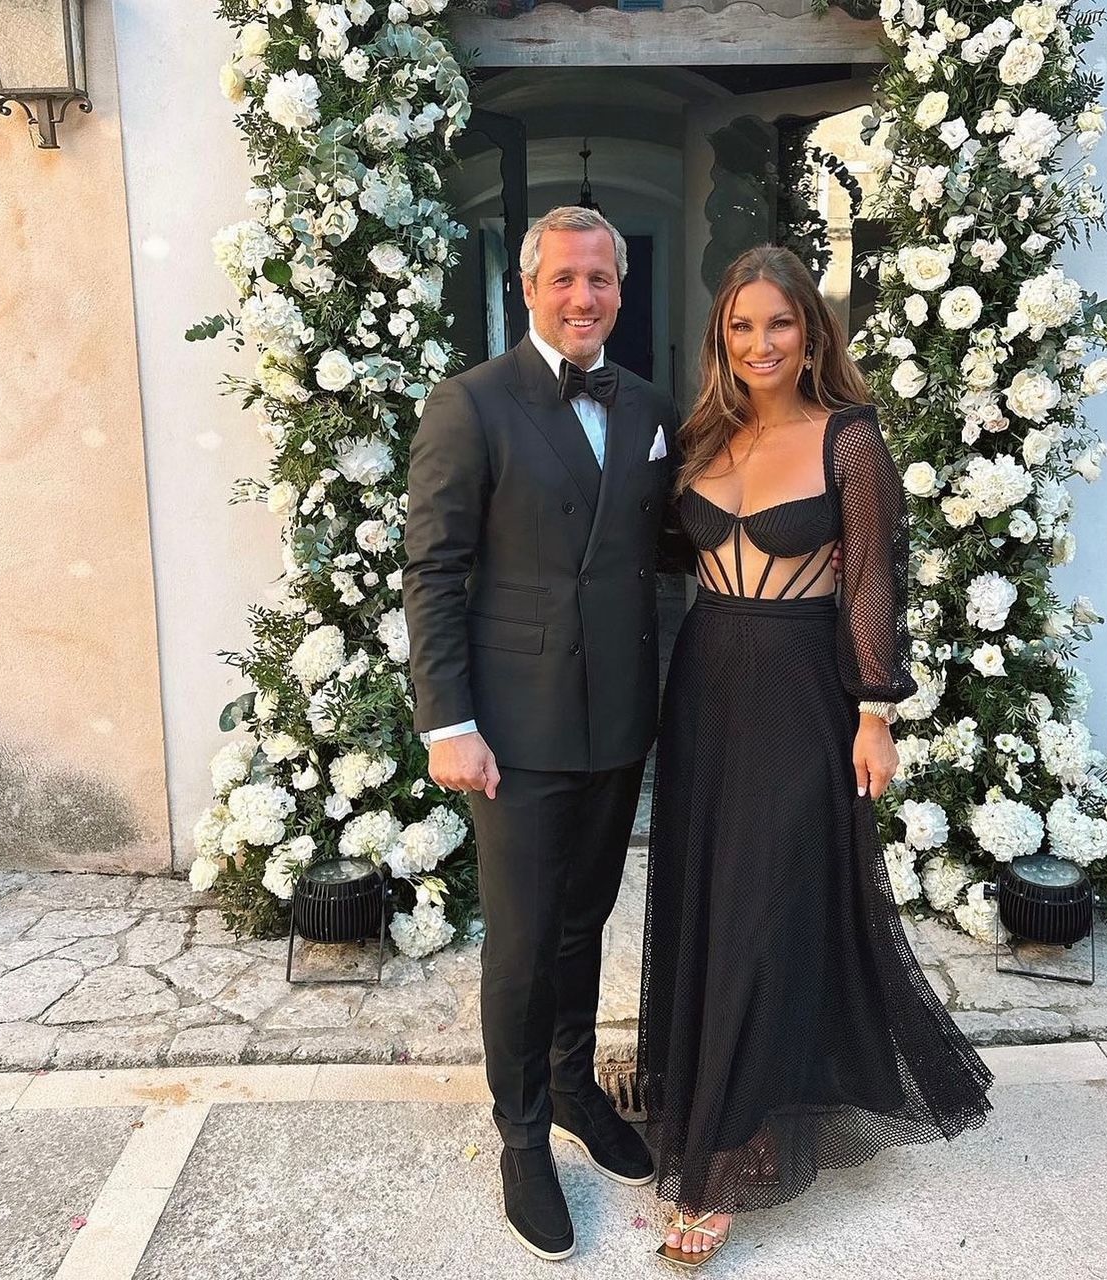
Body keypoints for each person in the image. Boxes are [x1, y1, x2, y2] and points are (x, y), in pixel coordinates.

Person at [638, 245, 995, 1267]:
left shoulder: (850, 439)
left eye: (779, 324)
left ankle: (719, 1158)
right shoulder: (701, 435)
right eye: (741, 326)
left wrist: (874, 713)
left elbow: (873, 579)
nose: (760, 344)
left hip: (802, 690)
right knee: (710, 900)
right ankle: (724, 1096)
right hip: (704, 684)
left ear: (811, 334)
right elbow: (661, 548)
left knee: (766, 904)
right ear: (722, 337)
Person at [403, 206, 683, 1261]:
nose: (582, 296)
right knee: (522, 942)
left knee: (584, 921)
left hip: (616, 718)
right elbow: (433, 570)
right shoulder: (472, 402)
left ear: (620, 288)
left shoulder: (649, 404)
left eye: (599, 278)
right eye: (563, 277)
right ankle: (521, 1133)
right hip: (513, 731)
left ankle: (572, 1085)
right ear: (527, 286)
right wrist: (450, 722)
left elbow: (669, 540)